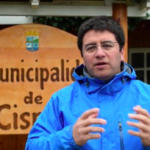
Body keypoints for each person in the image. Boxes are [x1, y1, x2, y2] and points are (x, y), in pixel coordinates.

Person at [25, 16, 150, 150]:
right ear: (83, 57)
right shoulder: (61, 101)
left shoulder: (147, 96)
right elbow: (32, 146)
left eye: (107, 45)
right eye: (90, 48)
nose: (99, 53)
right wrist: (69, 138)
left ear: (121, 52)